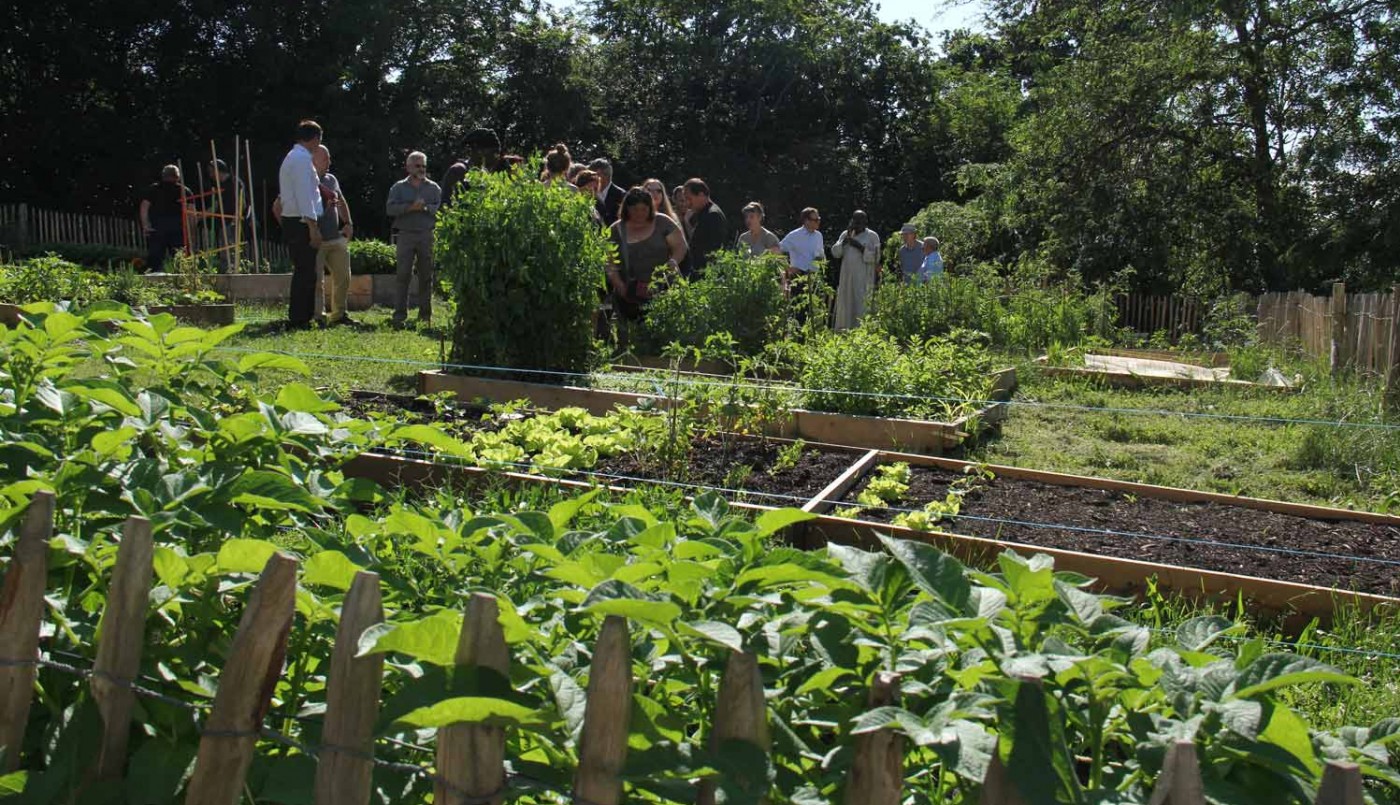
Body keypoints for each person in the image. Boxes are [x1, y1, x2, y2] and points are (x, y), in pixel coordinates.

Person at [606, 188, 688, 319]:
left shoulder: (663, 222)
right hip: (630, 295)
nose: (640, 214)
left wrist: (673, 261)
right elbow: (609, 264)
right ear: (626, 209)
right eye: (635, 210)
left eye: (644, 209)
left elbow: (680, 246)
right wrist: (620, 286)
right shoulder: (615, 231)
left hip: (665, 288)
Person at [385, 151, 442, 328]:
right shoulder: (398, 188)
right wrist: (410, 207)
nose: (421, 169)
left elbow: (438, 209)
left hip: (427, 234)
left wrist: (424, 207)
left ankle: (425, 316)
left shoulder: (434, 188)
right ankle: (399, 315)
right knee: (403, 275)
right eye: (417, 165)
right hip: (406, 235)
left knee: (426, 275)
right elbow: (390, 209)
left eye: (424, 165)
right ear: (408, 167)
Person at [277, 120, 325, 327]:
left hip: (296, 220)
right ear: (315, 139)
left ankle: (301, 315)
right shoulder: (301, 160)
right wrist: (313, 228)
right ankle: (300, 318)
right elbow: (305, 196)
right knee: (306, 272)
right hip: (301, 221)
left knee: (304, 270)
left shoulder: (294, 157)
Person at [312, 145, 355, 325]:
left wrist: (348, 223)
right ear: (313, 160)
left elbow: (341, 201)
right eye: (325, 158)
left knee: (344, 276)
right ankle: (318, 317)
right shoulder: (304, 180)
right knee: (316, 281)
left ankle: (339, 315)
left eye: (329, 158)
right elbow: (280, 205)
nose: (329, 162)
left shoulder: (331, 179)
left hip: (335, 237)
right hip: (316, 239)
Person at [831, 210, 881, 330]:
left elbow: (876, 257)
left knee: (861, 305)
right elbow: (835, 253)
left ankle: (861, 333)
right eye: (855, 221)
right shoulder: (846, 234)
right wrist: (845, 241)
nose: (857, 225)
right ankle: (844, 332)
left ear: (865, 222)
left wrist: (859, 247)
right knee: (846, 305)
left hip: (863, 278)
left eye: (860, 222)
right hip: (847, 277)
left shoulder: (872, 236)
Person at [138, 165, 192, 273]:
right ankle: (182, 283)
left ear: (163, 176)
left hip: (157, 228)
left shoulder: (153, 189)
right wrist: (191, 230)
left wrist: (145, 225)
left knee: (155, 259)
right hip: (178, 229)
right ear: (177, 177)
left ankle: (152, 283)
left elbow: (144, 206)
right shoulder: (184, 191)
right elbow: (191, 212)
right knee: (180, 260)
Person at [441, 128, 505, 206]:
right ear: (479, 150)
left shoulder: (485, 174)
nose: (497, 157)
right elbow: (445, 206)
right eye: (493, 152)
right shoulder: (458, 171)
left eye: (498, 153)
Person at [202, 159, 246, 270]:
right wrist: (201, 215)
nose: (211, 175)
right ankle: (225, 269)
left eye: (212, 172)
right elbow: (215, 205)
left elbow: (242, 202)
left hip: (233, 220)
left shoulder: (234, 182)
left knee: (231, 246)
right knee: (223, 247)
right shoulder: (218, 186)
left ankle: (233, 269)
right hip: (223, 221)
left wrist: (236, 217)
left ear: (219, 170)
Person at [680, 178, 727, 276]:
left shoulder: (713, 215)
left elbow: (714, 251)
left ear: (701, 195)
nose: (687, 204)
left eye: (689, 199)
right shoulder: (702, 214)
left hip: (708, 276)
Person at [779, 207, 825, 279]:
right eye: (816, 220)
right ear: (806, 220)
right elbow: (777, 250)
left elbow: (821, 255)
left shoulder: (819, 236)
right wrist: (787, 268)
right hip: (798, 276)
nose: (818, 222)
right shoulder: (795, 235)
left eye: (819, 219)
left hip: (814, 277)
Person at [589, 158, 626, 226]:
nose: (591, 178)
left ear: (606, 176)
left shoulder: (620, 195)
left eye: (594, 175)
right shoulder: (588, 193)